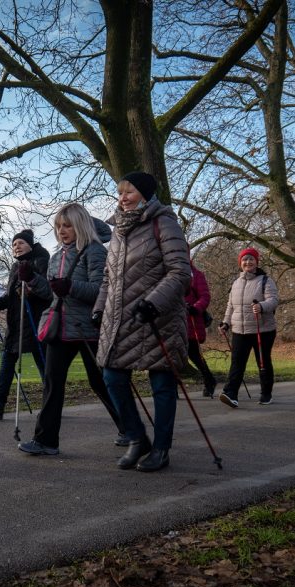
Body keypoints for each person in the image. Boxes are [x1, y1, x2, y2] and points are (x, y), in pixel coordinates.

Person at [95, 171, 190, 472]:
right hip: (121, 319)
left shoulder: (164, 223)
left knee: (161, 383)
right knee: (112, 376)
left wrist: (153, 303)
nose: (122, 198)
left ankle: (161, 448)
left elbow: (180, 272)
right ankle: (137, 438)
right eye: (120, 192)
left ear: (145, 195)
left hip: (158, 317)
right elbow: (109, 277)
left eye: (129, 192)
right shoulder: (119, 232)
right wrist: (99, 308)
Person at [17, 203, 124, 455]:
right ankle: (46, 441)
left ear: (80, 226)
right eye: (58, 226)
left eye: (67, 226)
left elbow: (101, 290)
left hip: (88, 327)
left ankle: (130, 430)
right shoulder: (56, 257)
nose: (61, 231)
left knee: (101, 382)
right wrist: (31, 279)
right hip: (61, 327)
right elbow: (52, 293)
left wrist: (71, 287)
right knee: (52, 383)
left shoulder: (95, 251)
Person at [0, 229, 50, 419]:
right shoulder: (15, 267)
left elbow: (48, 291)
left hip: (36, 322)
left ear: (30, 245)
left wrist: (30, 292)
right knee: (7, 362)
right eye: (14, 244)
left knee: (44, 365)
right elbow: (10, 297)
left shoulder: (41, 261)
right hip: (16, 324)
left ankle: (51, 404)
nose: (17, 247)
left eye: (21, 243)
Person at [218, 247, 279, 408]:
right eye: (244, 259)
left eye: (251, 259)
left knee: (263, 362)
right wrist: (226, 323)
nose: (248, 262)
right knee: (237, 363)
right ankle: (230, 393)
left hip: (262, 329)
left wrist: (261, 306)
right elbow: (230, 306)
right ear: (240, 263)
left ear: (256, 262)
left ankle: (266, 394)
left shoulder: (265, 280)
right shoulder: (235, 283)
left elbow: (273, 300)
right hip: (239, 330)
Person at [186, 251, 217, 398]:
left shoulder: (197, 275)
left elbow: (205, 296)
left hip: (191, 320)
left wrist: (196, 307)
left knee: (195, 355)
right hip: (172, 322)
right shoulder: (165, 273)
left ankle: (209, 380)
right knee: (172, 356)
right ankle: (171, 388)